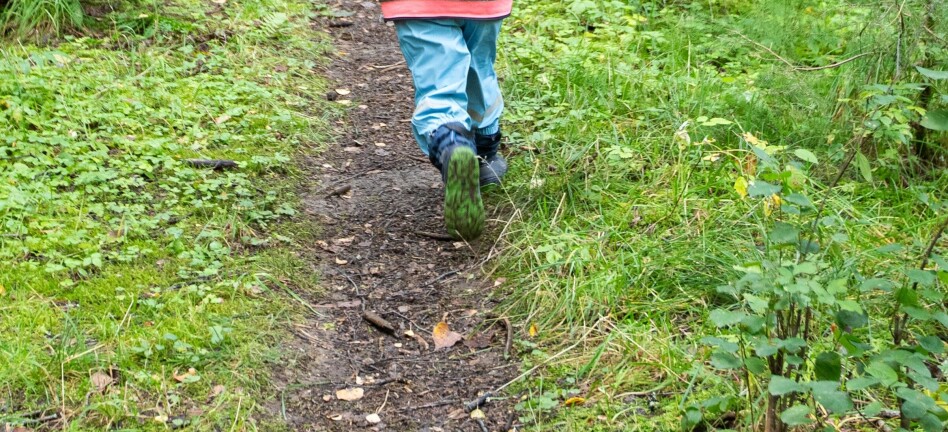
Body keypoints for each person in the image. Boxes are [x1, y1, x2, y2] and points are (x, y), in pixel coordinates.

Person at [381, 0, 512, 240]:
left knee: (439, 87)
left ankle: (453, 145)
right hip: (483, 4)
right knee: (479, 67)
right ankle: (484, 154)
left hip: (418, 7)